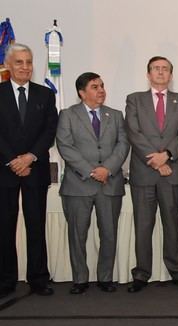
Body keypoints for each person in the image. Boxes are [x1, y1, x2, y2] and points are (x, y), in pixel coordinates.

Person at [56, 72, 129, 294]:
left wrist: (107, 169)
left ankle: (105, 277)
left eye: (102, 86)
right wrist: (90, 171)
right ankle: (80, 279)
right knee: (77, 234)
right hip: (78, 184)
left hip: (109, 182)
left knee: (109, 232)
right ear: (81, 92)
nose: (101, 90)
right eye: (95, 86)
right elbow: (65, 146)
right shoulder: (68, 115)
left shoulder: (115, 115)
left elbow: (123, 144)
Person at [125, 56, 178, 292]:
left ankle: (177, 272)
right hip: (144, 173)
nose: (161, 72)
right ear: (148, 74)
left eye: (165, 69)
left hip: (172, 171)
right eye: (156, 69)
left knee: (172, 224)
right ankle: (142, 274)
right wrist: (156, 160)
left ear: (171, 75)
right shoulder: (134, 100)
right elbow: (133, 133)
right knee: (143, 226)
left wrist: (167, 155)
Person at [0, 43, 58, 298]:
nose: (25, 67)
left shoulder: (45, 95)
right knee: (4, 226)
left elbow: (49, 131)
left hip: (35, 169)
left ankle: (38, 278)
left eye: (29, 62)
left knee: (36, 224)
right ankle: (5, 279)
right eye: (19, 62)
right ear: (8, 65)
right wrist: (13, 160)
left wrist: (30, 158)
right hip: (5, 169)